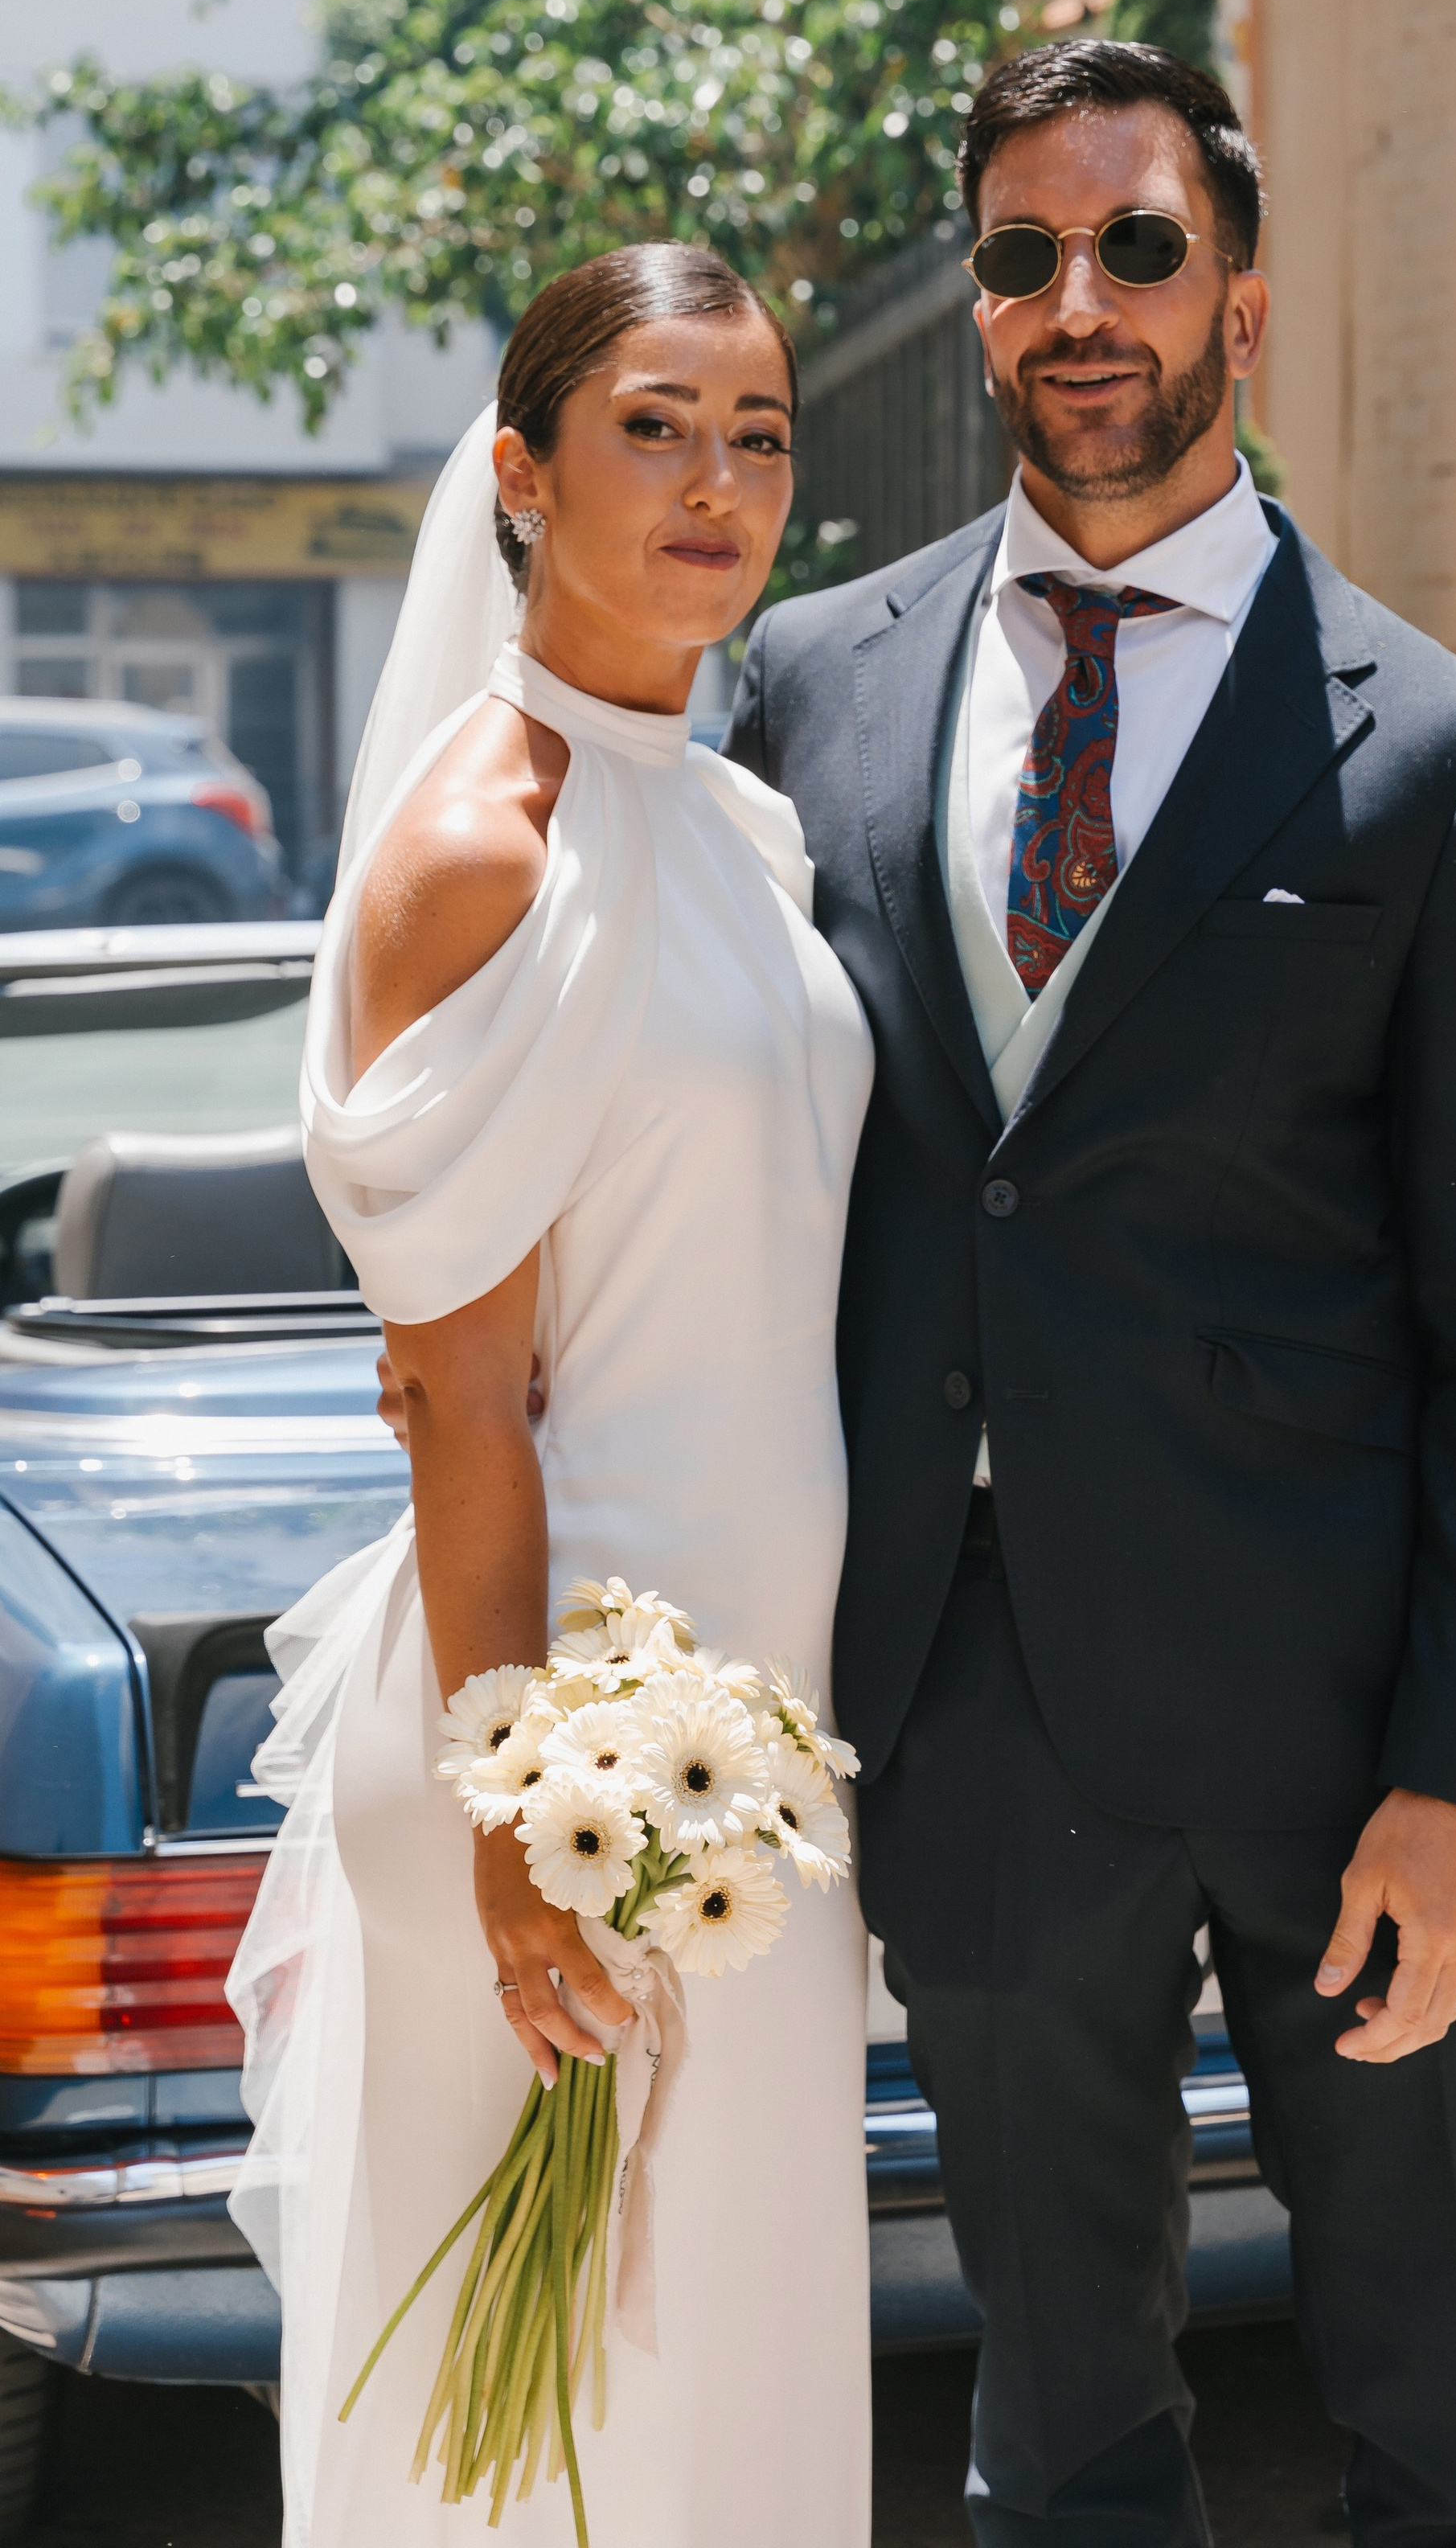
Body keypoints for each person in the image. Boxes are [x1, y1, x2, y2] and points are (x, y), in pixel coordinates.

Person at [723, 42, 1456, 2547]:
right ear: (979, 310)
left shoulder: (1439, 753)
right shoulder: (812, 688)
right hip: (978, 1704)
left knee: (1446, 2404)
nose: (1074, 302)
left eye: (1135, 248)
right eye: (1021, 257)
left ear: (1244, 296)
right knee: (1062, 2422)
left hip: (1351, 1732)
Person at [228, 244, 876, 2547]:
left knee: (730, 2388)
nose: (720, 483)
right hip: (568, 1755)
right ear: (519, 473)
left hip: (755, 1754)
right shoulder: (473, 857)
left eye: (762, 433)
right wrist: (521, 1840)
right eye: (656, 427)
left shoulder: (741, 828)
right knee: (538, 2442)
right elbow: (459, 1408)